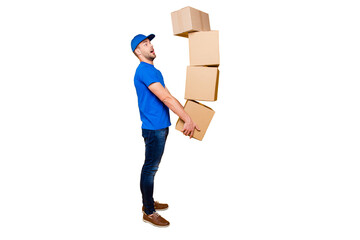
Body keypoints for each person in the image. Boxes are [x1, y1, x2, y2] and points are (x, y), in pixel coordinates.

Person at [131, 33, 199, 227]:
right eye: (145, 44)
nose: (150, 45)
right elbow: (166, 99)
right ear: (138, 51)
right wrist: (187, 119)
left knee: (152, 167)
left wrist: (186, 114)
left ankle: (149, 202)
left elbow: (168, 95)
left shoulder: (153, 70)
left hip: (159, 126)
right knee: (150, 168)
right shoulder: (145, 71)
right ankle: (149, 211)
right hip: (154, 129)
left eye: (150, 42)